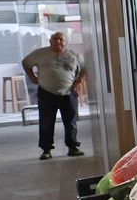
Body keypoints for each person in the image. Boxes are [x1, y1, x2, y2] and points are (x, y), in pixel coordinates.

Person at [21, 31, 87, 160]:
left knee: (70, 122)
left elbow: (83, 69)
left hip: (68, 93)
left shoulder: (73, 55)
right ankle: (46, 150)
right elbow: (25, 63)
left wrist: (79, 81)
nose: (58, 42)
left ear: (65, 42)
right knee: (46, 122)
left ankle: (73, 147)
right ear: (50, 41)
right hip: (46, 93)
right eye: (55, 39)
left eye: (61, 40)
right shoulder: (40, 54)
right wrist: (32, 77)